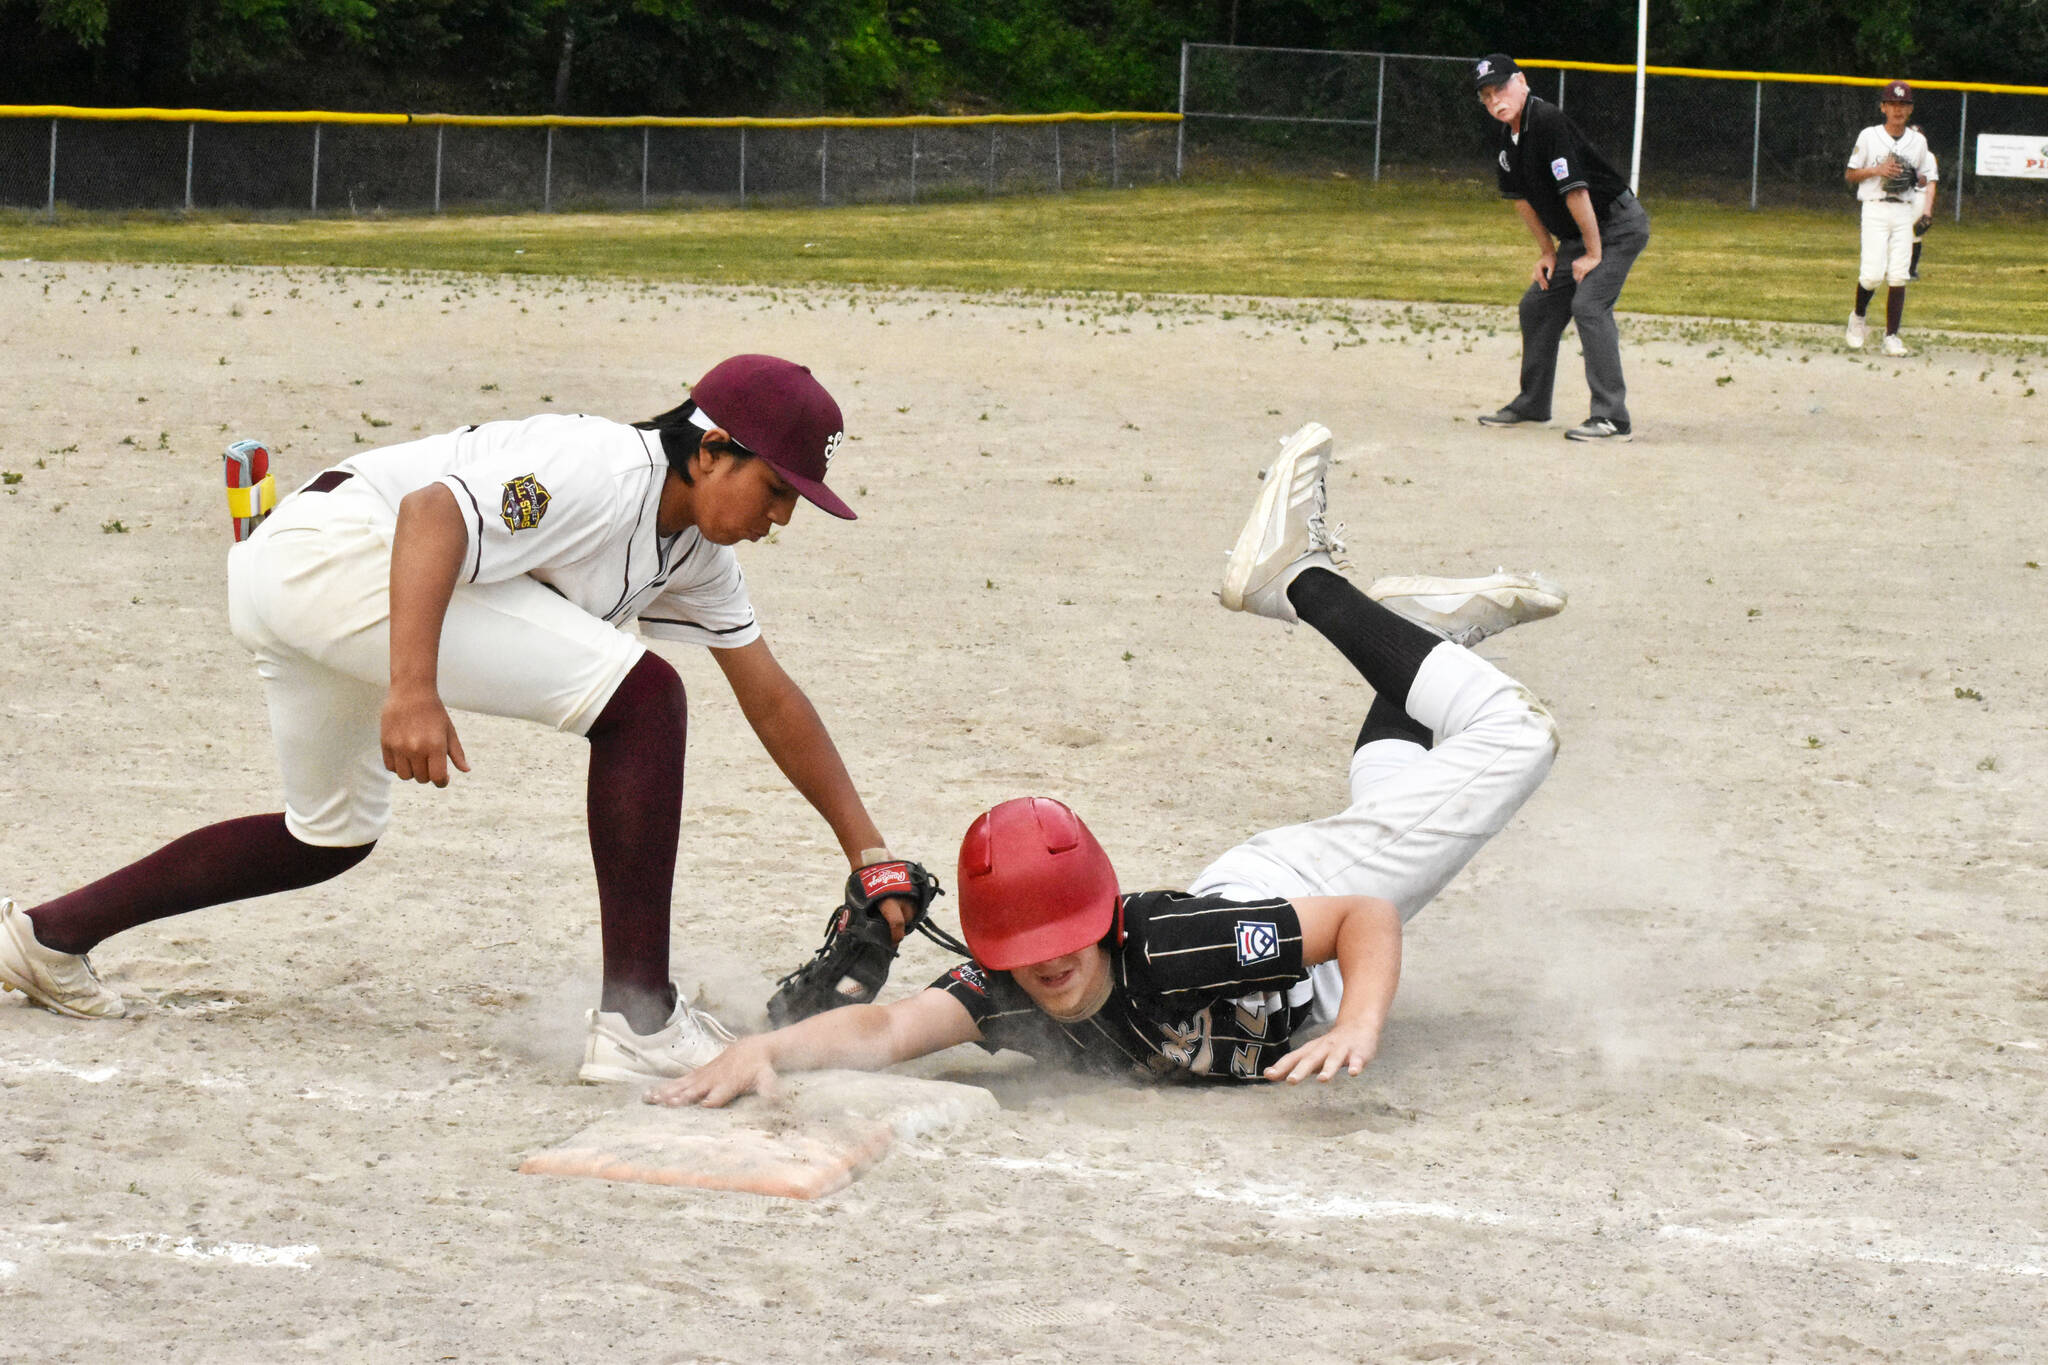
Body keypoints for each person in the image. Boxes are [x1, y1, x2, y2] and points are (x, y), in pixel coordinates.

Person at [0, 354, 925, 1085]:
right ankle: (639, 1020)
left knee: (328, 835)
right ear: (712, 447)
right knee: (643, 698)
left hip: (298, 576)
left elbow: (768, 692)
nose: (783, 516)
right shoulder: (601, 468)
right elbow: (434, 512)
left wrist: (865, 848)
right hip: (336, 555)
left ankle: (46, 938)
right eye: (778, 489)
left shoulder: (695, 552)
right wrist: (411, 689)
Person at [649, 422, 1564, 1104]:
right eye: (1026, 948)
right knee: (1401, 797)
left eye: (1062, 938)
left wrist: (1363, 1022)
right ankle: (1429, 644)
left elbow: (1364, 915)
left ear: (1102, 918)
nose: (1049, 966)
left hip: (1294, 889)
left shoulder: (1174, 950)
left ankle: (1302, 583)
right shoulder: (1012, 991)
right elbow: (890, 1027)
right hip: (1278, 893)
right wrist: (773, 1049)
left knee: (1518, 738)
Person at [1470, 53, 1651, 444]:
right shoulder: (1509, 139)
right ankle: (1534, 403)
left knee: (1588, 305)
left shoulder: (1547, 121)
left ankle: (1612, 418)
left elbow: (1576, 191)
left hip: (1617, 226)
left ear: (1521, 81)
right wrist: (1548, 253)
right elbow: (1520, 198)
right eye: (1486, 95)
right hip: (1581, 236)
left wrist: (1594, 253)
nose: (1494, 99)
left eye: (1500, 88)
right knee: (1536, 304)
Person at [1844, 81, 1934, 357]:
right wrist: (1878, 170)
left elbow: (1925, 176)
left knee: (1898, 274)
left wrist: (1914, 176)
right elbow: (1850, 174)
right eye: (1893, 104)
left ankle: (1891, 336)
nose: (1898, 109)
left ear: (1910, 109)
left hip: (1903, 209)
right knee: (1871, 275)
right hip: (1875, 207)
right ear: (1883, 107)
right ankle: (1858, 316)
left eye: (1903, 104)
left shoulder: (1918, 141)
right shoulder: (1869, 136)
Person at [1908, 129, 1939, 282]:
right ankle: (1895, 267)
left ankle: (1911, 270)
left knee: (1914, 235)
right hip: (1901, 196)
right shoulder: (1899, 153)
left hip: (1919, 195)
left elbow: (1931, 184)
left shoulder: (1928, 157)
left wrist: (1927, 209)